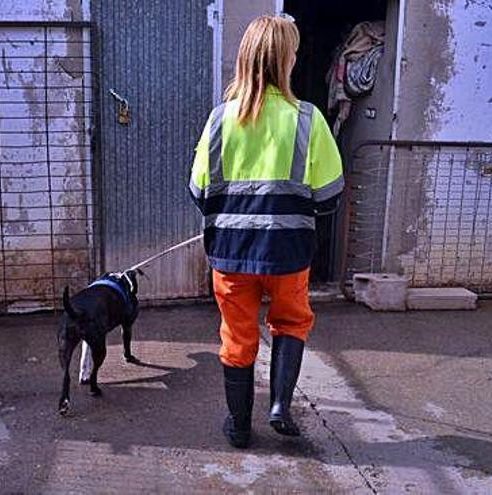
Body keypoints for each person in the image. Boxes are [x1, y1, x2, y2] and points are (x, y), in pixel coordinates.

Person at [188, 15, 343, 448]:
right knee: (291, 323)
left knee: (237, 338)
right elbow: (330, 196)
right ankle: (279, 405)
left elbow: (199, 191)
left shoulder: (219, 121)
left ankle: (238, 426)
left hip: (232, 256)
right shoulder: (309, 120)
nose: (296, 58)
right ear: (284, 61)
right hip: (289, 253)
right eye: (293, 53)